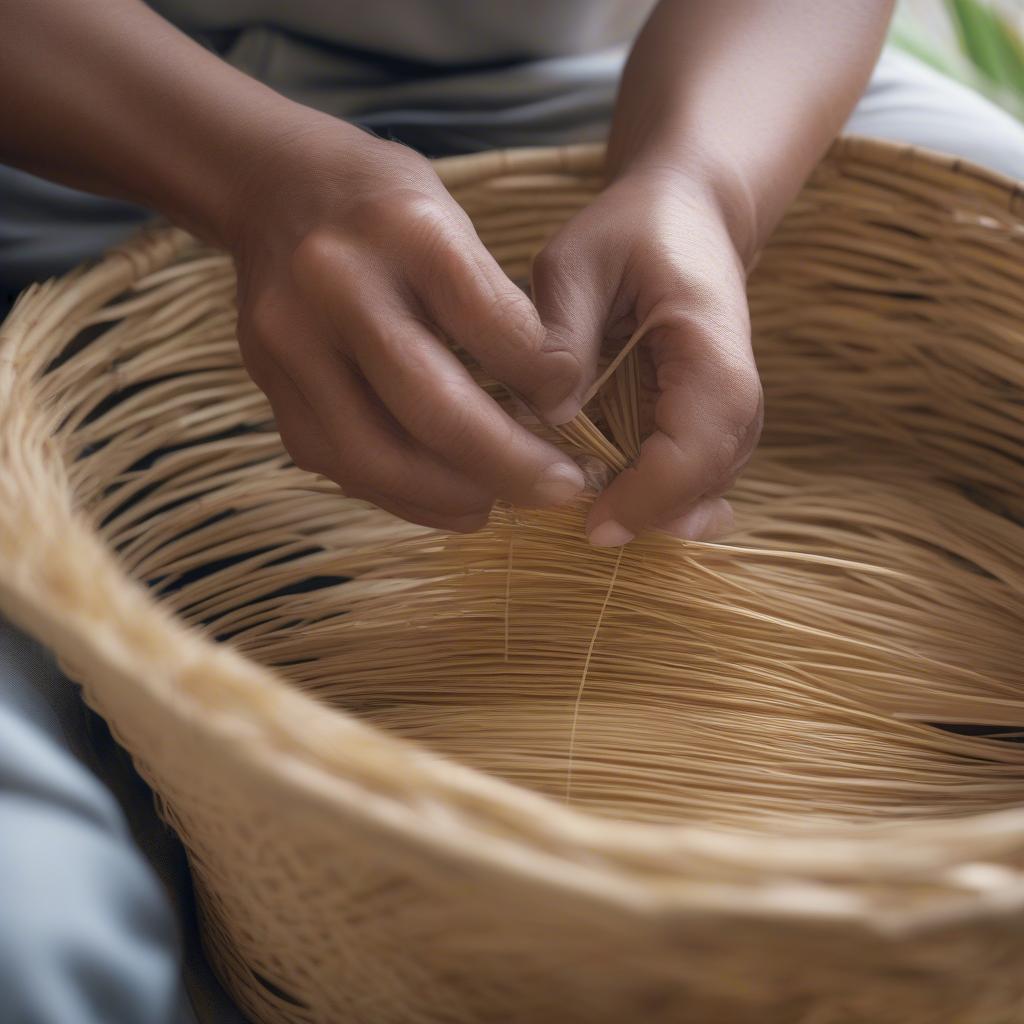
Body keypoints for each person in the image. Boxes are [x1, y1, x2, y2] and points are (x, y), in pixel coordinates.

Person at [1, 2, 1023, 1021]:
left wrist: (703, 182)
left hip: (639, 94)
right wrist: (249, 174)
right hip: (70, 142)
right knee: (33, 927)